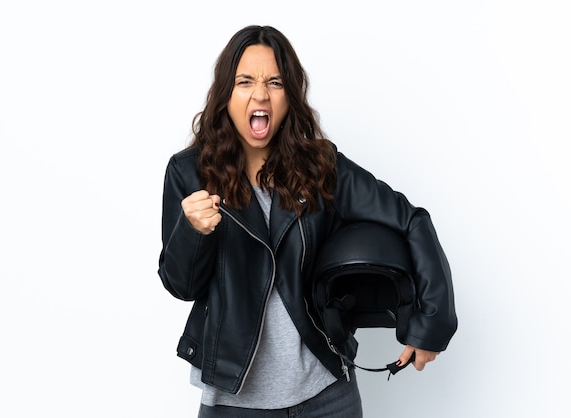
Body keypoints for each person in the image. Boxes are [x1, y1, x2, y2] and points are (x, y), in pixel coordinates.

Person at [158, 25, 457, 417]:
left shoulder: (321, 166)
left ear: (290, 96)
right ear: (226, 94)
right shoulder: (189, 172)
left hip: (328, 395)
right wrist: (193, 232)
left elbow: (412, 220)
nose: (260, 94)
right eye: (245, 81)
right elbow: (181, 285)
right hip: (233, 401)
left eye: (275, 82)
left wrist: (431, 324)